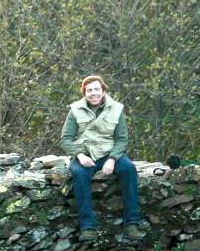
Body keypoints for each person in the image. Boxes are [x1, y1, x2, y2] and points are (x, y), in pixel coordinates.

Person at [61, 74, 143, 232]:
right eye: (89, 90)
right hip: (84, 153)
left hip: (109, 152)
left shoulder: (117, 109)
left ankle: (132, 223)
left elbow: (122, 139)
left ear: (103, 91)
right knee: (79, 173)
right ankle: (88, 226)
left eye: (97, 89)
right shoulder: (75, 110)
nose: (93, 93)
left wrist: (112, 159)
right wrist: (80, 155)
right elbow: (66, 139)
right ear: (84, 93)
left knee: (129, 169)